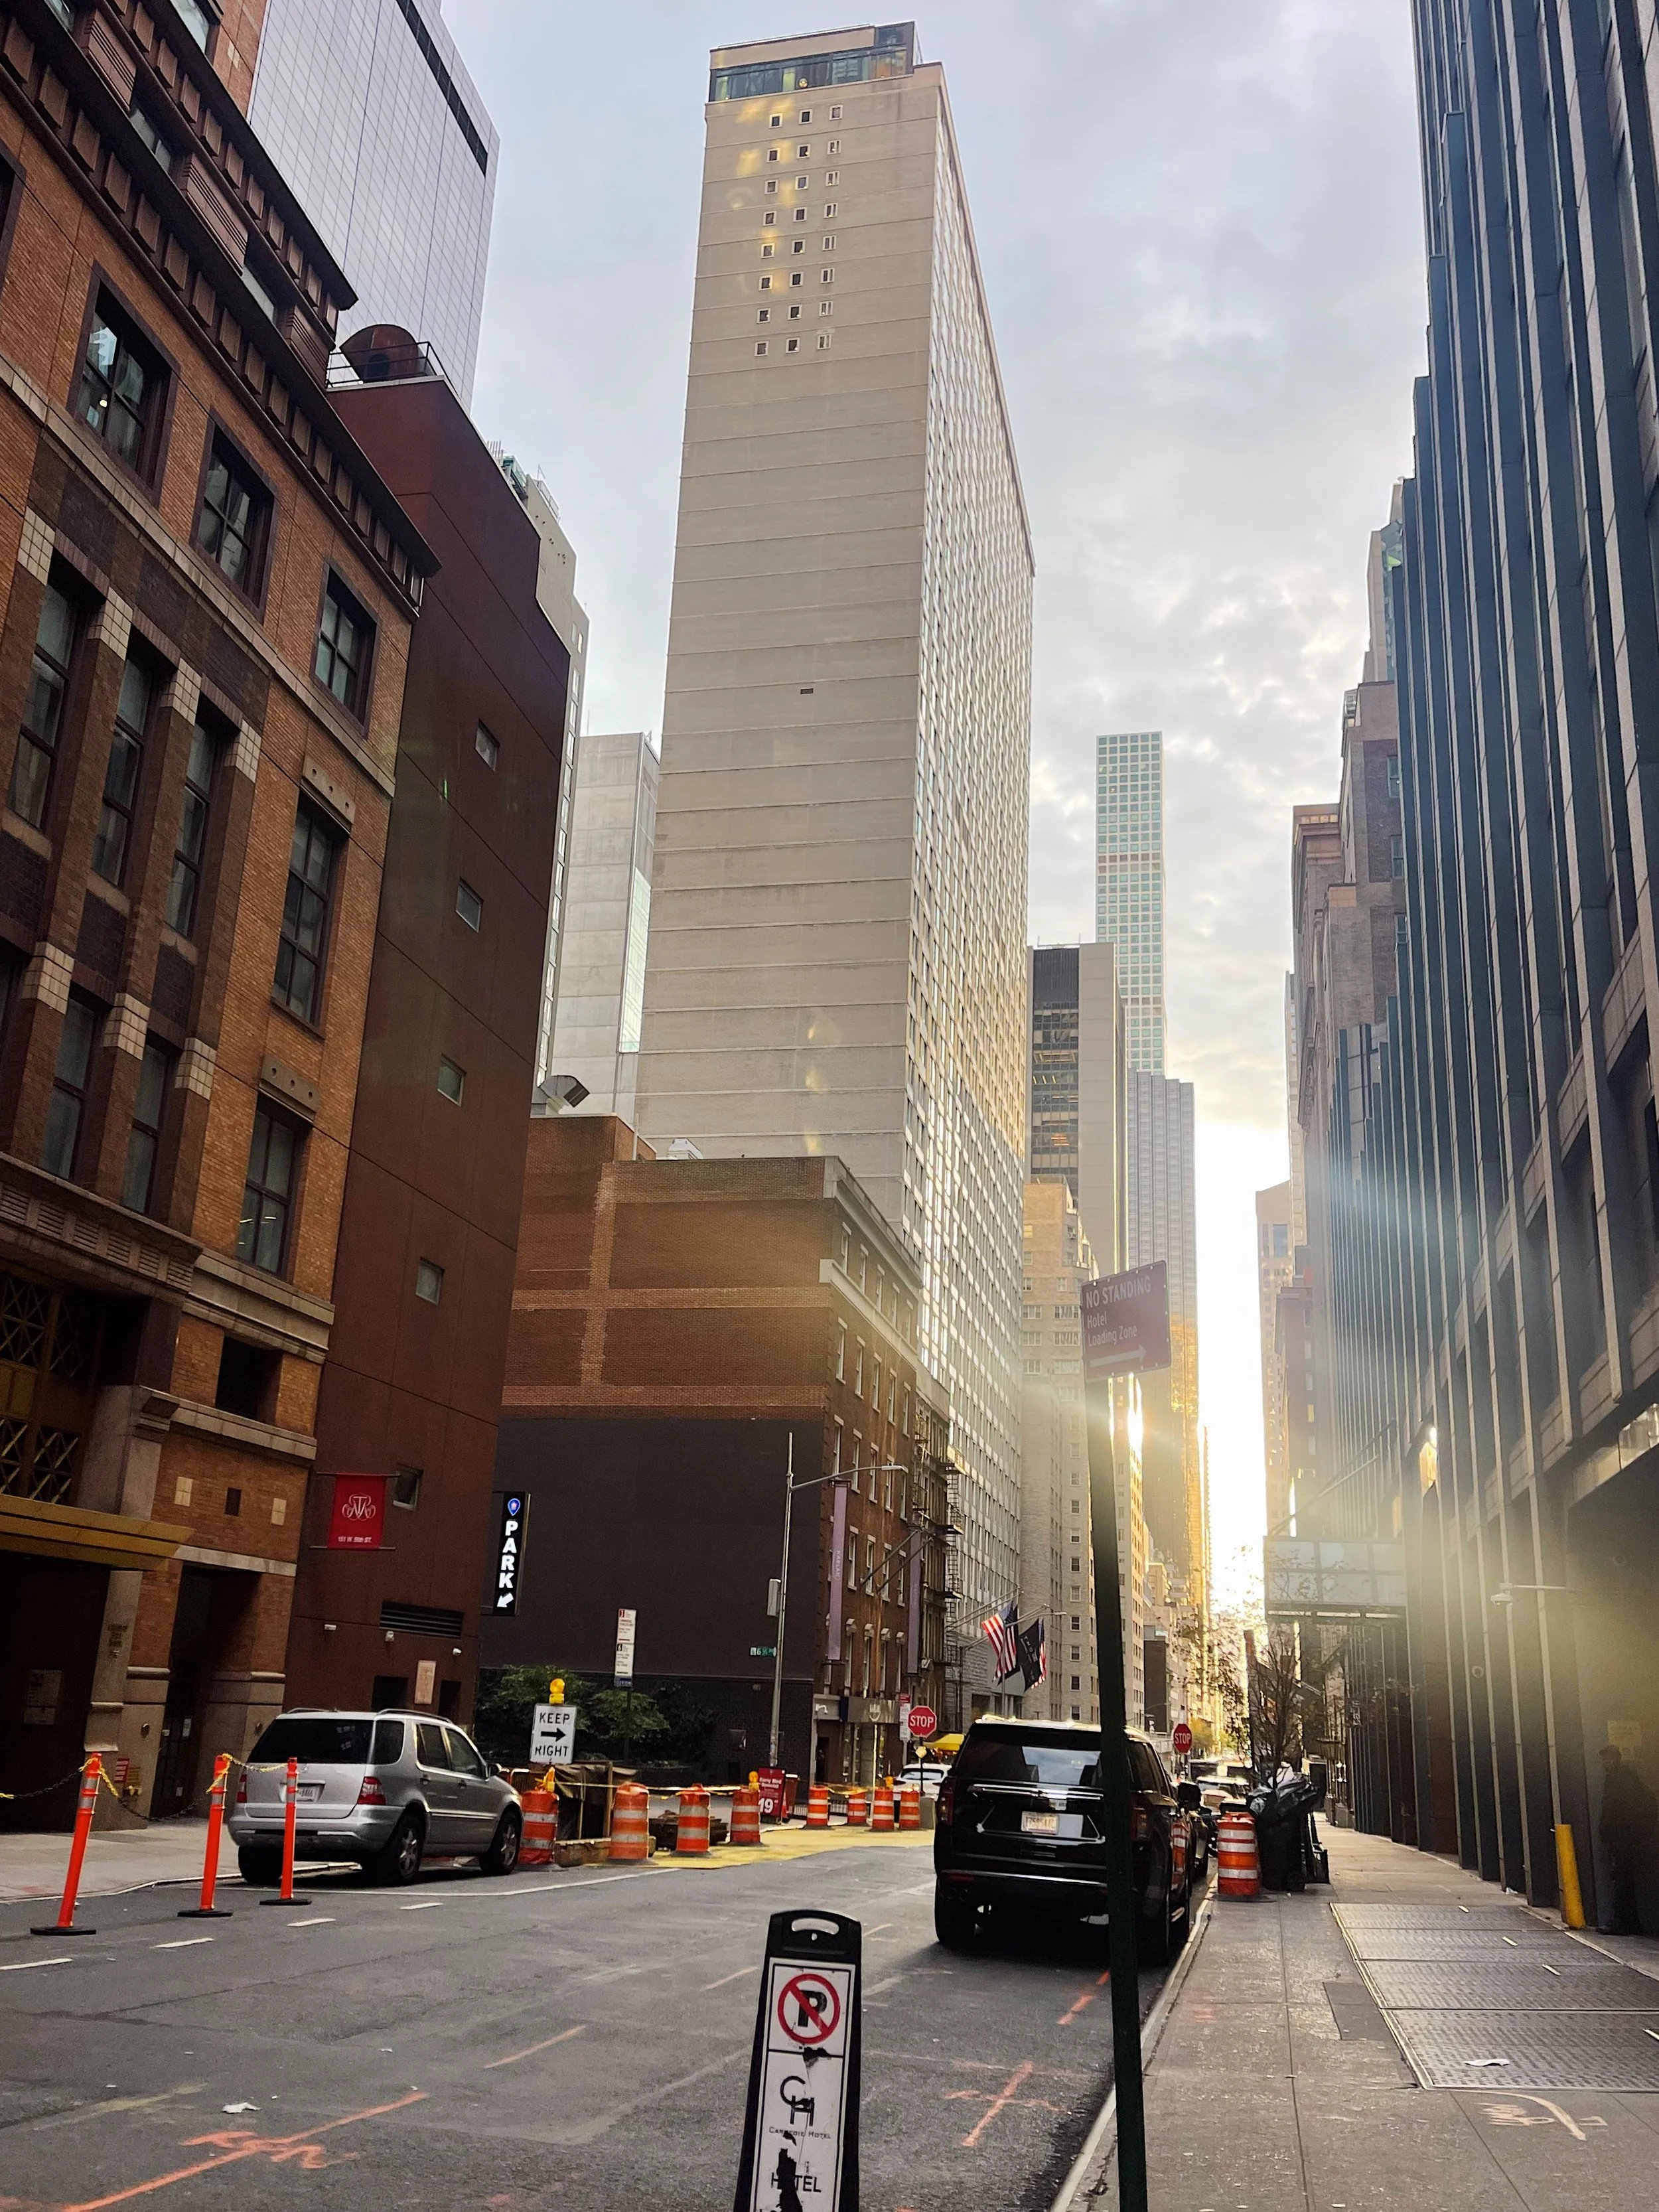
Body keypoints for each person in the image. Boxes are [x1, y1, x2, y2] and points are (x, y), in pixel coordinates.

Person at [1598, 1744, 1658, 1935]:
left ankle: (1622, 1921)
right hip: (1630, 1837)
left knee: (1622, 1880)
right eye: (1604, 1759)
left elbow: (1616, 1809)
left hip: (1625, 1839)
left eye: (1608, 1759)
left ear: (1616, 1759)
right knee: (1627, 1881)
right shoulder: (1626, 1778)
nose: (1605, 1762)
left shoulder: (1620, 1779)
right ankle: (1631, 1921)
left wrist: (1611, 1830)